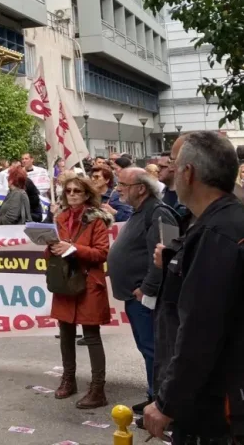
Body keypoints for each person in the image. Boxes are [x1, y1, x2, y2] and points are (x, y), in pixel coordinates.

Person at [143, 132, 244, 444]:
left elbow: (201, 330)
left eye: (175, 164)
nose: (171, 171)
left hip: (216, 407)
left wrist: (167, 402)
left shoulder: (217, 233)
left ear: (188, 172)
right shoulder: (222, 222)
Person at [106, 167, 178, 416]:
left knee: (155, 351)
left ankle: (161, 404)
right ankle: (153, 395)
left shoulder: (159, 213)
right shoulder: (141, 211)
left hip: (147, 297)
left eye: (123, 185)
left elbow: (167, 255)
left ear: (141, 188)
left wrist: (146, 288)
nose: (118, 189)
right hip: (137, 296)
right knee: (148, 349)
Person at [47, 175, 112, 409]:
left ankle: (98, 389)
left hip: (88, 283)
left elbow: (101, 254)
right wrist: (51, 247)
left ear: (86, 194)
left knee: (91, 335)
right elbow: (52, 253)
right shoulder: (60, 218)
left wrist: (73, 248)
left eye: (77, 191)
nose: (72, 194)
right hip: (65, 282)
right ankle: (68, 379)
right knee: (65, 332)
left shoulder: (96, 220)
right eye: (69, 191)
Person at [156, 152, 187, 217]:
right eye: (158, 166)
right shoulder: (159, 195)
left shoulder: (188, 195)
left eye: (162, 167)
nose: (158, 170)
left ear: (173, 167)